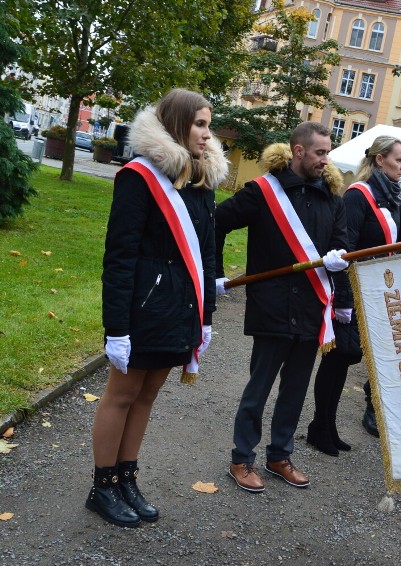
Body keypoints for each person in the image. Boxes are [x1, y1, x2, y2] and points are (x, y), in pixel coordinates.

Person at [93, 88, 229, 527]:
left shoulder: (202, 177)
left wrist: (205, 317)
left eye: (209, 125)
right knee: (122, 395)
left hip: (181, 308)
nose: (207, 135)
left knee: (147, 396)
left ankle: (127, 476)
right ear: (176, 124)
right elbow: (119, 257)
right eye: (199, 125)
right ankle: (103, 485)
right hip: (142, 308)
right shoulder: (139, 177)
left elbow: (207, 254)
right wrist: (116, 328)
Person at [215, 122, 350, 492]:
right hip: (271, 306)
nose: (327, 159)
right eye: (320, 152)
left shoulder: (333, 199)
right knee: (258, 388)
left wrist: (340, 264)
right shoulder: (262, 193)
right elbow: (216, 222)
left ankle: (280, 456)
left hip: (311, 308)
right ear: (298, 151)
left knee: (295, 389)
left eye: (329, 152)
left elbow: (341, 245)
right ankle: (242, 459)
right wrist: (214, 273)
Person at [310, 135, 401, 448]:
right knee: (339, 357)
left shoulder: (389, 196)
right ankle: (320, 426)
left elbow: (400, 226)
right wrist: (343, 299)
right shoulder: (359, 195)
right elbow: (344, 248)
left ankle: (326, 426)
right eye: (398, 159)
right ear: (379, 160)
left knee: (345, 359)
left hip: (373, 292)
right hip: (352, 292)